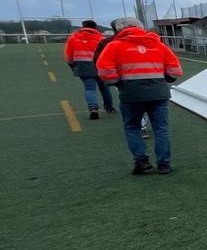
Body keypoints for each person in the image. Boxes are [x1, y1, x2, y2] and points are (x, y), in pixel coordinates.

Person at [96, 17, 184, 175]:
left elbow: (104, 70)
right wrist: (162, 79)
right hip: (159, 92)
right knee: (161, 129)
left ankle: (142, 162)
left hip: (130, 93)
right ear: (141, 28)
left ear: (119, 30)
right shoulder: (158, 45)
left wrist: (116, 82)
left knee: (132, 127)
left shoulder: (114, 46)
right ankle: (164, 164)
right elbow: (175, 70)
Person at [63, 20, 114, 119]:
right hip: (99, 65)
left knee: (89, 88)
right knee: (104, 87)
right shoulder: (101, 38)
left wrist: (72, 65)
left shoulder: (73, 38)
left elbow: (68, 55)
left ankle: (93, 108)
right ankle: (109, 107)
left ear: (83, 27)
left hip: (82, 65)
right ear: (95, 28)